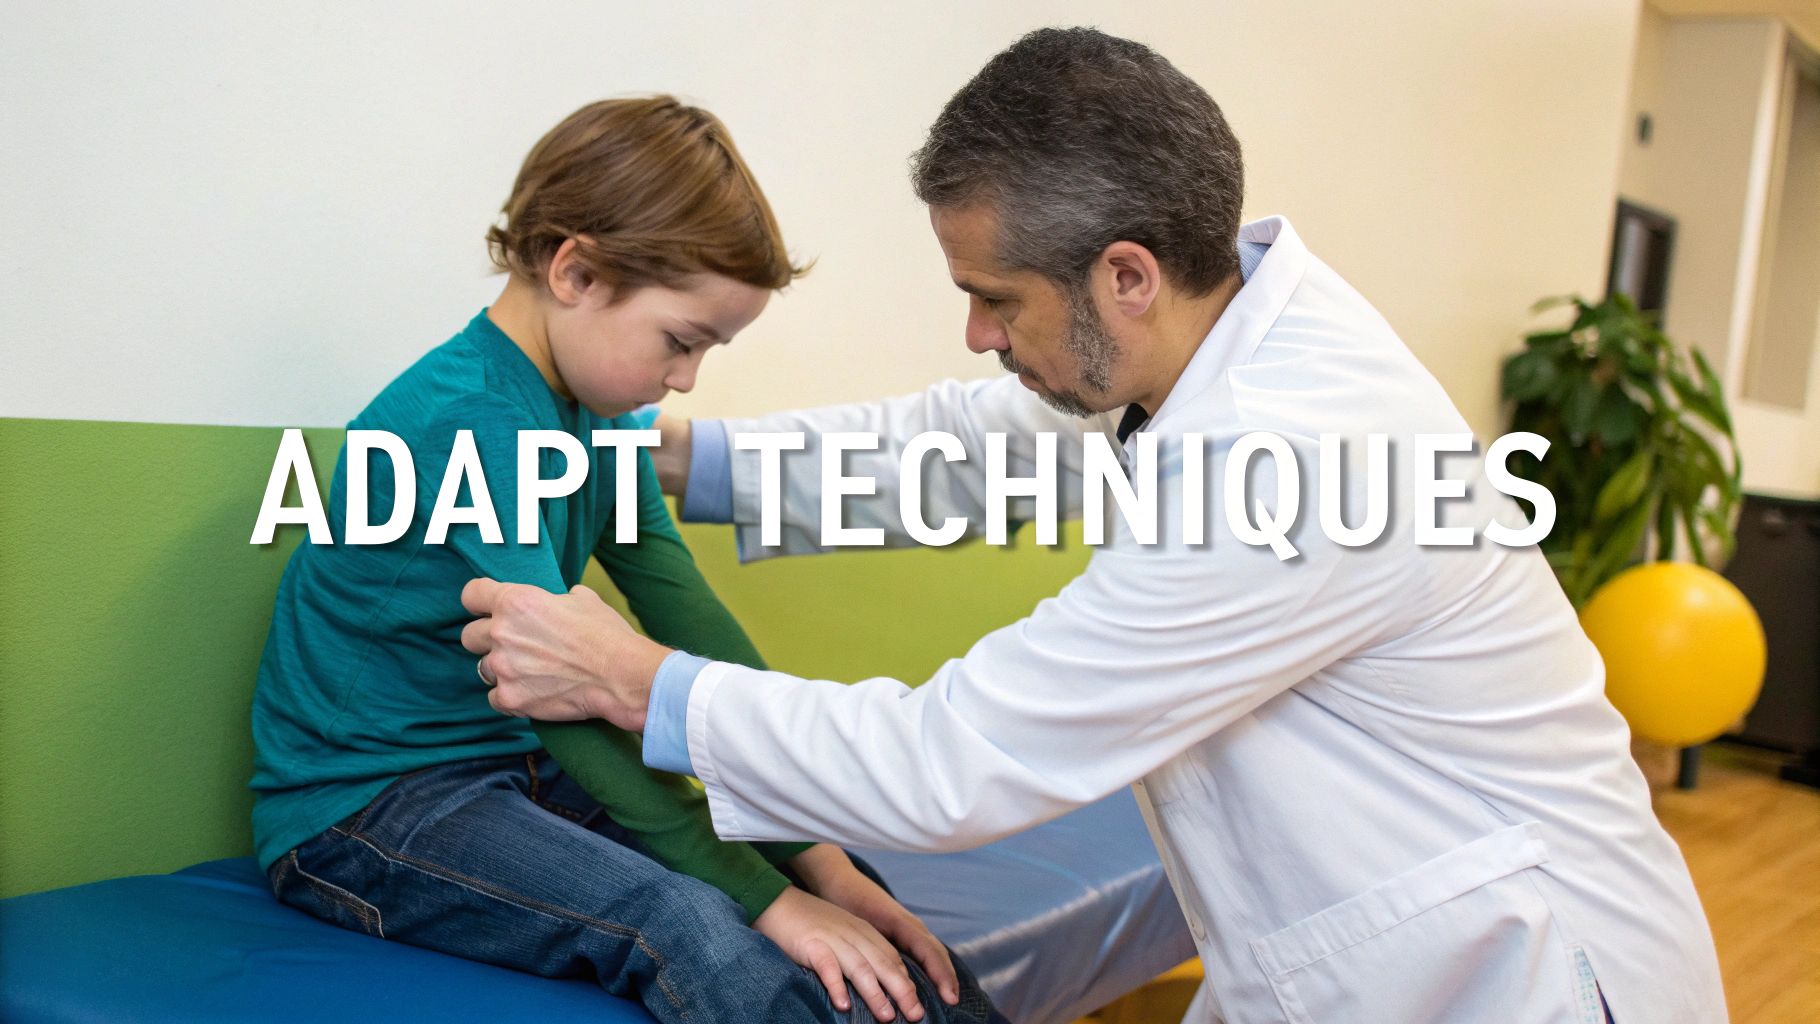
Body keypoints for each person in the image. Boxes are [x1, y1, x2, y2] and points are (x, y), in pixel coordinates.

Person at [461, 30, 1729, 1024]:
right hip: (1350, 949)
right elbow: (960, 449)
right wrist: (673, 455)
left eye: (992, 298)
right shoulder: (1197, 340)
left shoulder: (1294, 462)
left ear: (1124, 273)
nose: (975, 333)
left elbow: (960, 755)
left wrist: (641, 683)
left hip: (1511, 977)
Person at [249, 95, 1004, 1024]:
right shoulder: (470, 420)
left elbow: (690, 618)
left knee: (840, 885)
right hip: (370, 809)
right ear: (576, 272)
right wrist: (770, 899)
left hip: (521, 770)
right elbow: (549, 691)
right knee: (683, 918)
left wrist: (816, 859)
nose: (685, 379)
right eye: (680, 343)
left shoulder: (604, 425)